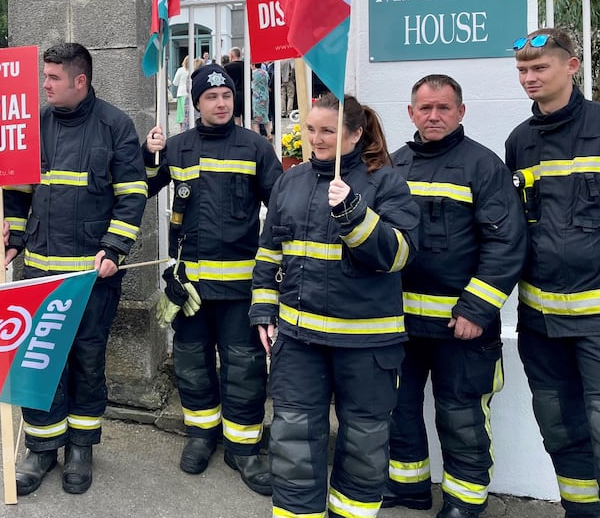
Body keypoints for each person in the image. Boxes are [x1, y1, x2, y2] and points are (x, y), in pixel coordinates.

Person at [250, 93, 419, 518]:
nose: (316, 139)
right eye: (310, 129)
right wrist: (263, 312)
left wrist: (353, 214)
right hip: (298, 340)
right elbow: (270, 253)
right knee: (292, 440)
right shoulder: (292, 179)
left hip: (366, 345)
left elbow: (398, 255)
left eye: (327, 130)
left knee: (364, 443)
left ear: (355, 134)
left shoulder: (386, 182)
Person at [0, 42, 146, 496]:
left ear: (80, 80)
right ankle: (41, 448)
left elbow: (133, 195)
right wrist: (12, 238)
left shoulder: (115, 126)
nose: (45, 85)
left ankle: (81, 446)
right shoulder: (34, 126)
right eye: (45, 76)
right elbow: (18, 194)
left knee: (85, 361)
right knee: (37, 361)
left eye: (53, 78)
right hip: (38, 273)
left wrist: (114, 248)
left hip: (90, 279)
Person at [386, 75, 526, 518]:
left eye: (443, 108)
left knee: (461, 414)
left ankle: (466, 500)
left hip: (460, 326)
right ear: (411, 113)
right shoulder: (394, 166)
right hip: (400, 324)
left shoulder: (483, 167)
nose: (433, 116)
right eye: (425, 108)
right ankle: (407, 487)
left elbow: (506, 245)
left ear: (461, 112)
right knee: (398, 408)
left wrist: (478, 310)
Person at [143, 63, 282, 494]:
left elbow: (281, 207)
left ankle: (244, 447)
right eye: (210, 98)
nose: (220, 104)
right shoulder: (179, 147)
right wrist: (148, 155)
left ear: (234, 100)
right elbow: (143, 188)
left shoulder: (257, 147)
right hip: (191, 290)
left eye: (226, 97)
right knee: (192, 364)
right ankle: (201, 434)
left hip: (241, 289)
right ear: (197, 103)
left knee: (244, 367)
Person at [505, 27, 600, 518]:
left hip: (595, 321)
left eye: (539, 67)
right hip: (540, 322)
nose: (529, 77)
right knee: (559, 426)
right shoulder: (519, 142)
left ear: (572, 66)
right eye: (522, 69)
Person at [251, 62, 272, 139]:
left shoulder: (253, 73)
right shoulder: (265, 73)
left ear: (253, 65)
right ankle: (269, 133)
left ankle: (257, 135)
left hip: (256, 96)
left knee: (256, 118)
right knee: (265, 116)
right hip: (265, 96)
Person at [172, 56, 192, 132]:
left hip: (181, 92)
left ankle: (181, 129)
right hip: (189, 92)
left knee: (181, 113)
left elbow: (175, 83)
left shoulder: (180, 70)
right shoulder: (192, 70)